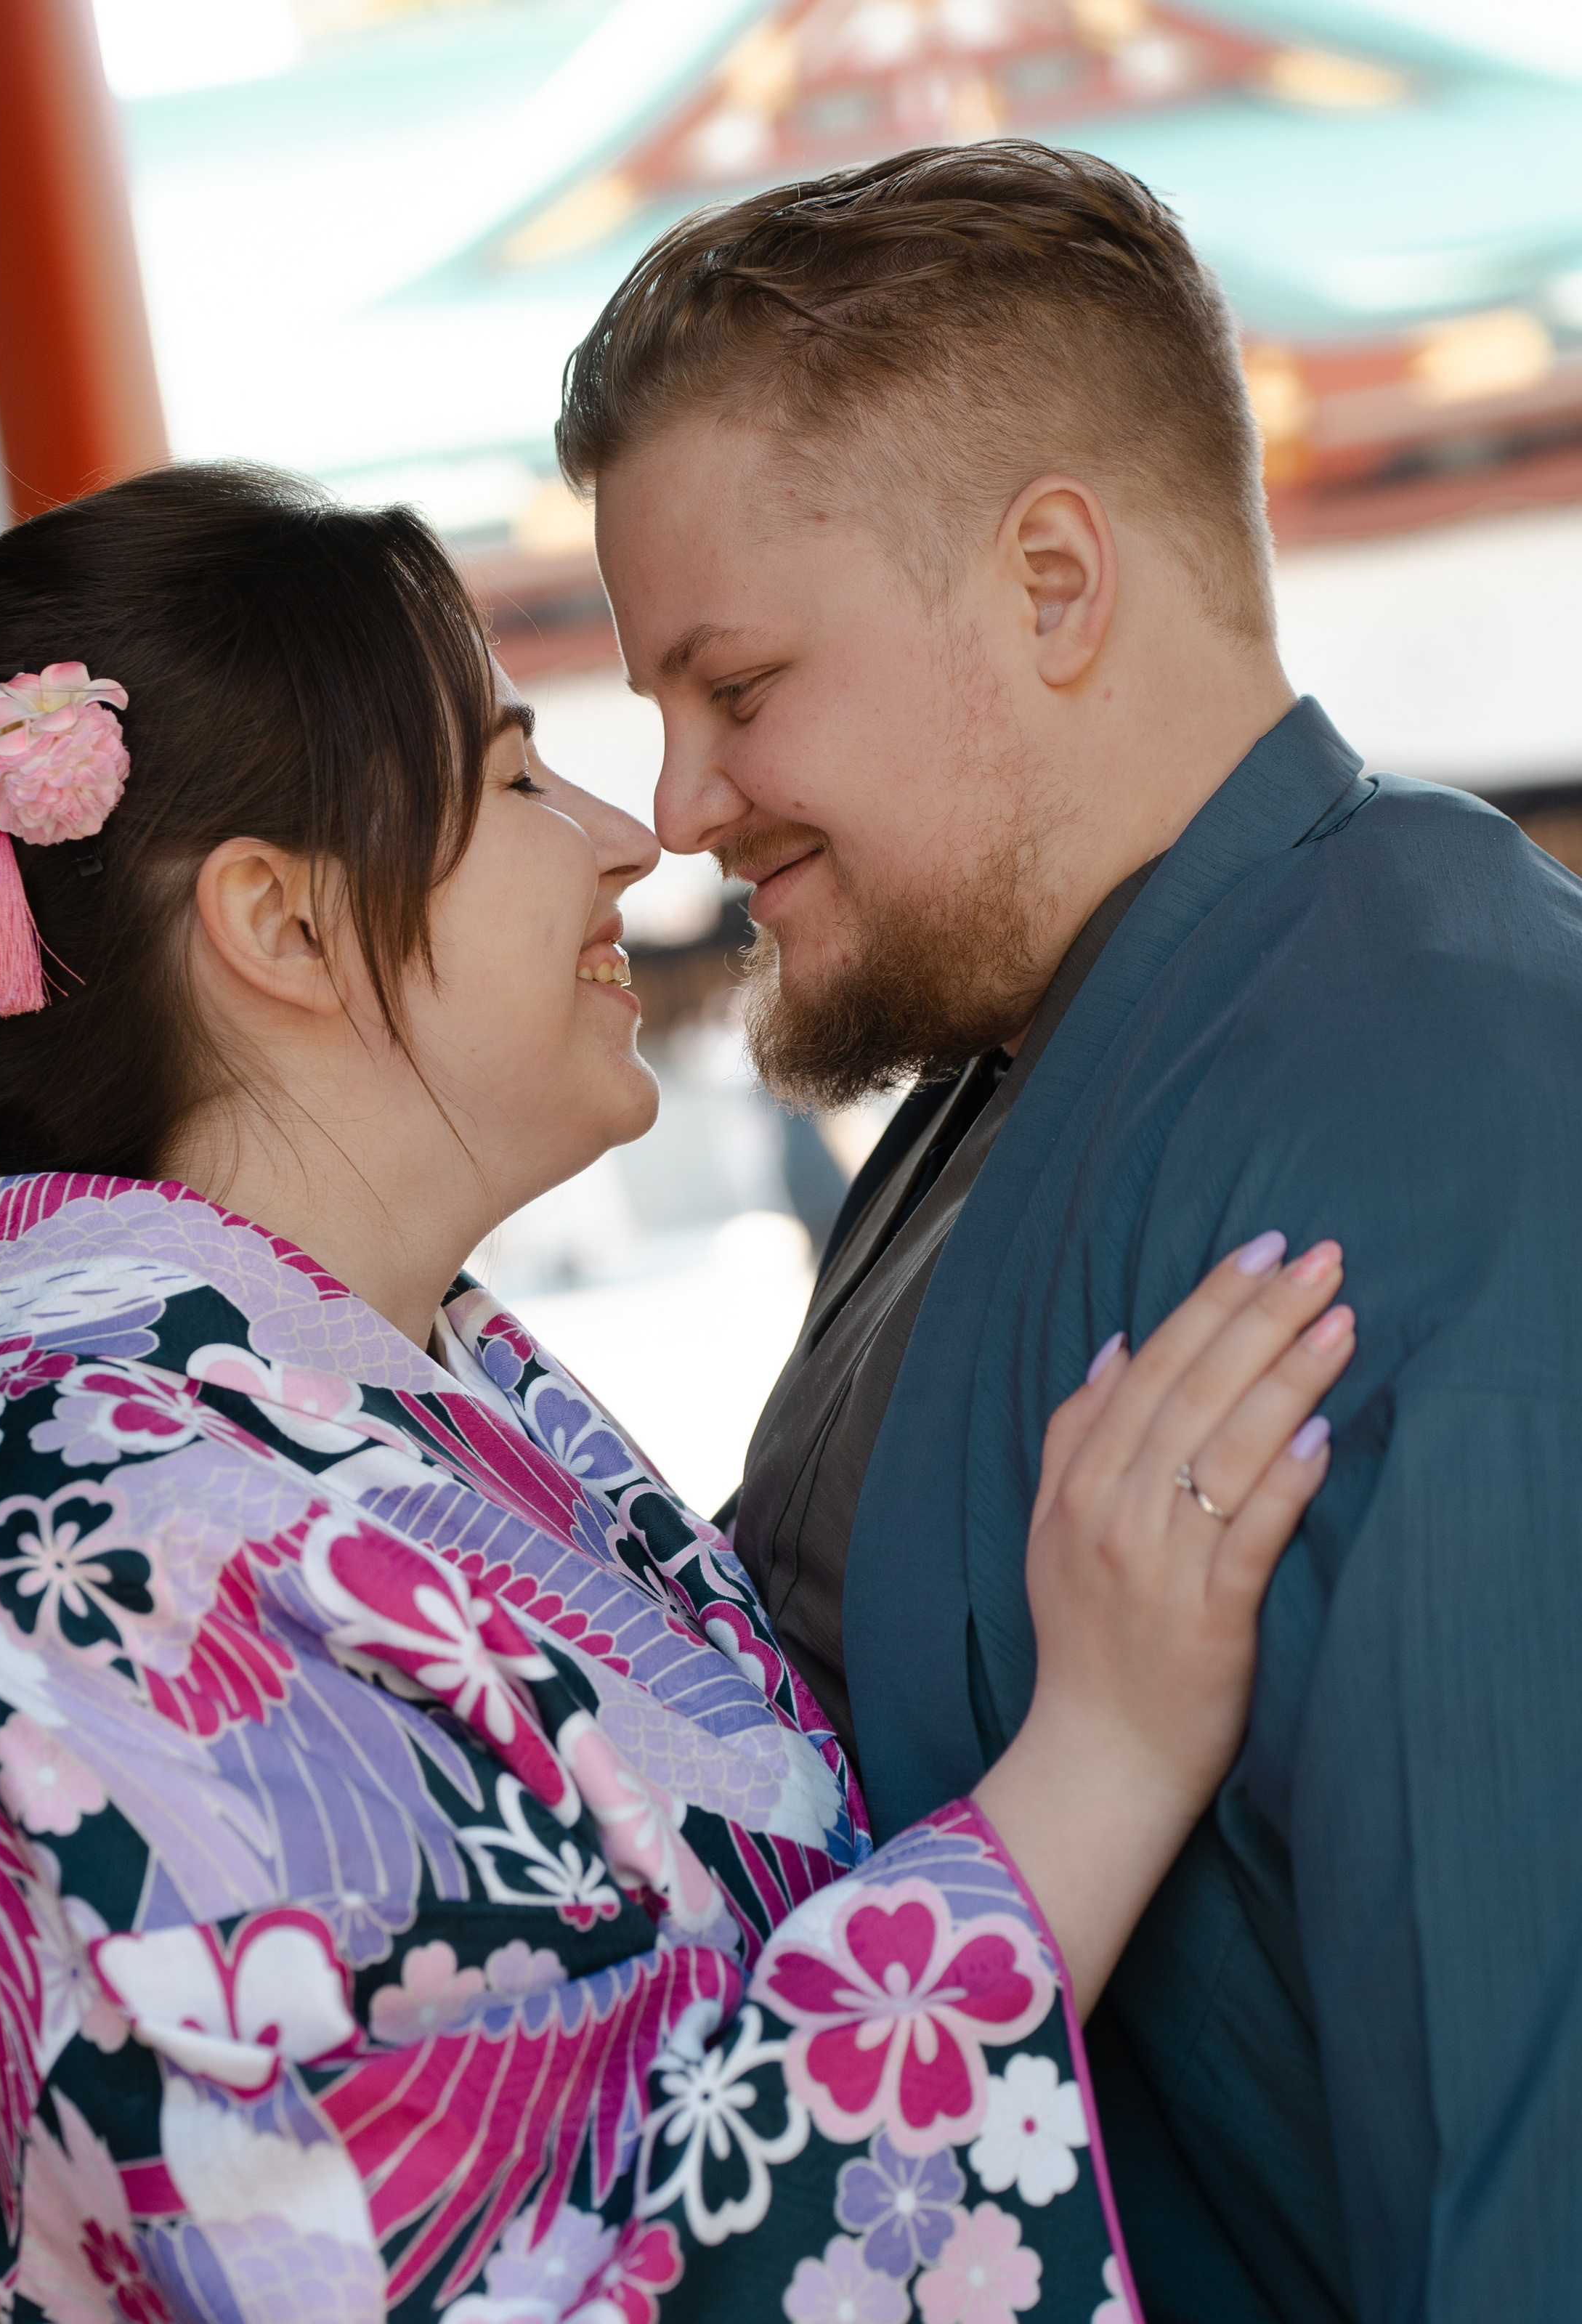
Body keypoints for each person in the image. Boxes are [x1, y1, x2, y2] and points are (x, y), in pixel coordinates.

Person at [0, 466, 1348, 2323]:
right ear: (280, 924)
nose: (624, 835)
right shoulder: (83, 1551)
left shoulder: (330, 1413)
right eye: (508, 781)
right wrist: (1101, 1760)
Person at [561, 137, 1582, 2321]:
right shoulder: (1021, 1064)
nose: (677, 809)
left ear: (1050, 580)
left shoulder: (1438, 1097)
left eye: (736, 689)